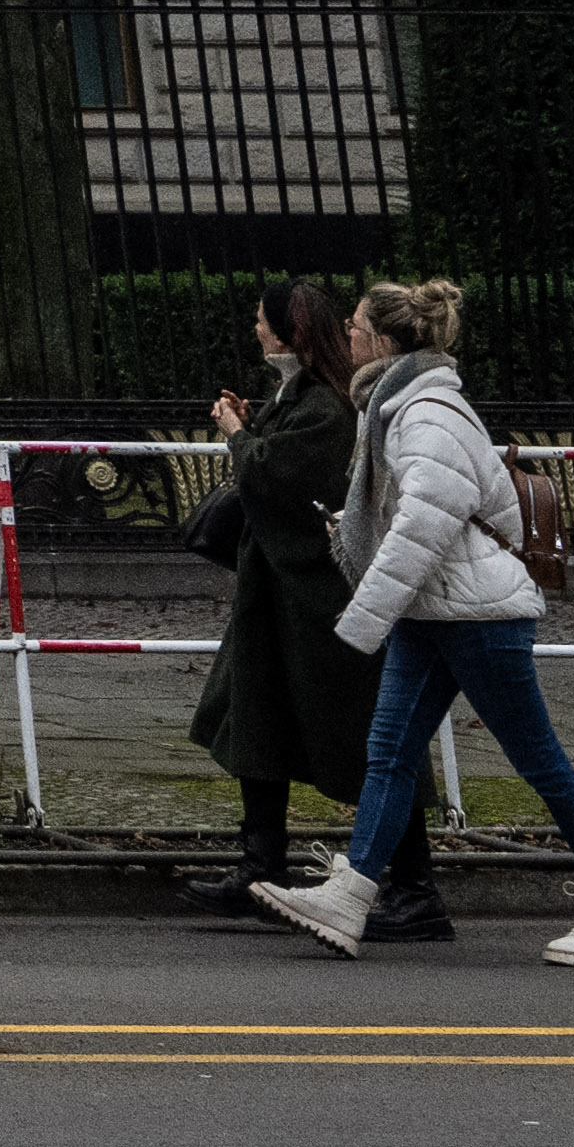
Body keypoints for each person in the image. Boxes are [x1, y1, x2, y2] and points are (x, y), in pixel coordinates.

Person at [249, 275, 574, 970]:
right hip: (434, 609)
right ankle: (352, 895)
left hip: (476, 613)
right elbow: (416, 515)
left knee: (539, 760)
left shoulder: (428, 409)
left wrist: (362, 616)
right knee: (390, 751)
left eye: (354, 323)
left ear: (382, 338)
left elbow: (424, 524)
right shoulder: (397, 403)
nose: (345, 332)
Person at [186, 275, 445, 936]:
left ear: (288, 329)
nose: (254, 328)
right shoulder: (308, 394)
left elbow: (275, 473)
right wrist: (253, 421)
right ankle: (260, 863)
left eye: (261, 319)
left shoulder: (329, 405)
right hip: (280, 603)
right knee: (254, 719)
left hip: (321, 606)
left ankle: (414, 887)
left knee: (371, 738)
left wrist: (238, 433)